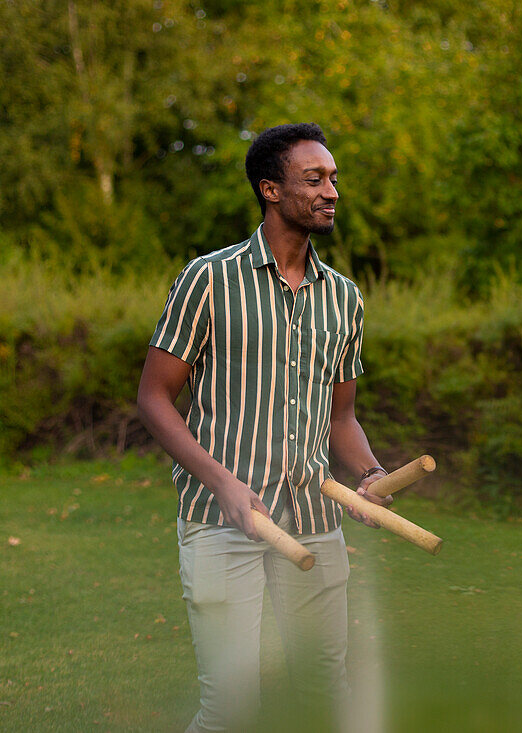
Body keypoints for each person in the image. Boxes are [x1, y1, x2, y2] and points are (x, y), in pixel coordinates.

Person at [137, 122, 391, 732]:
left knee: (325, 694)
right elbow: (153, 398)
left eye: (333, 179)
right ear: (270, 189)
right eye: (314, 179)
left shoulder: (345, 299)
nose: (331, 191)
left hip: (314, 524)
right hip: (222, 525)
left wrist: (372, 473)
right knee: (231, 709)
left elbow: (342, 417)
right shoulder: (208, 279)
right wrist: (221, 482)